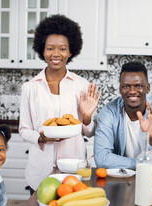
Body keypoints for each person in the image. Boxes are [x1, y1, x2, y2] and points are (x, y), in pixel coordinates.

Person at [19, 14, 100, 194]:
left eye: (62, 49)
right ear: (42, 50)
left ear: (71, 52)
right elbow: (24, 130)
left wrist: (87, 118)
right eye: (50, 48)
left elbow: (89, 132)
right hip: (40, 172)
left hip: (73, 171)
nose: (56, 54)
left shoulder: (82, 86)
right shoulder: (30, 88)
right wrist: (40, 137)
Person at [94, 61, 152, 169]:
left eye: (138, 86)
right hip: (119, 177)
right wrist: (141, 164)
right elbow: (102, 159)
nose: (132, 91)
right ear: (120, 89)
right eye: (126, 86)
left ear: (148, 88)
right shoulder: (109, 112)